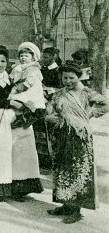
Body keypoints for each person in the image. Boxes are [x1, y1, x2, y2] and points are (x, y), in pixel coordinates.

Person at [0, 46, 43, 201]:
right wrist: (11, 102)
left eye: (3, 61)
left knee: (7, 152)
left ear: (7, 62)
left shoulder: (9, 76)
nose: (0, 64)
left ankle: (10, 187)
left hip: (7, 116)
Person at [45, 63, 109, 223]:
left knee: (78, 170)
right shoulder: (58, 94)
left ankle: (76, 209)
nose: (67, 81)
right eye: (64, 77)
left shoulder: (85, 93)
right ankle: (65, 204)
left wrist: (91, 113)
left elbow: (106, 104)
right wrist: (53, 116)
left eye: (71, 78)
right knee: (61, 170)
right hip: (62, 135)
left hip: (79, 136)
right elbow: (51, 112)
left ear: (78, 77)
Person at [8, 42, 46, 129]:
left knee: (17, 98)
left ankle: (27, 116)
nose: (23, 58)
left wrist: (23, 86)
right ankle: (20, 117)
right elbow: (13, 77)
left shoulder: (33, 68)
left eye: (26, 56)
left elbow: (30, 80)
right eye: (21, 56)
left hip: (31, 90)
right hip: (23, 88)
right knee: (13, 99)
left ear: (33, 59)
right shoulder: (19, 67)